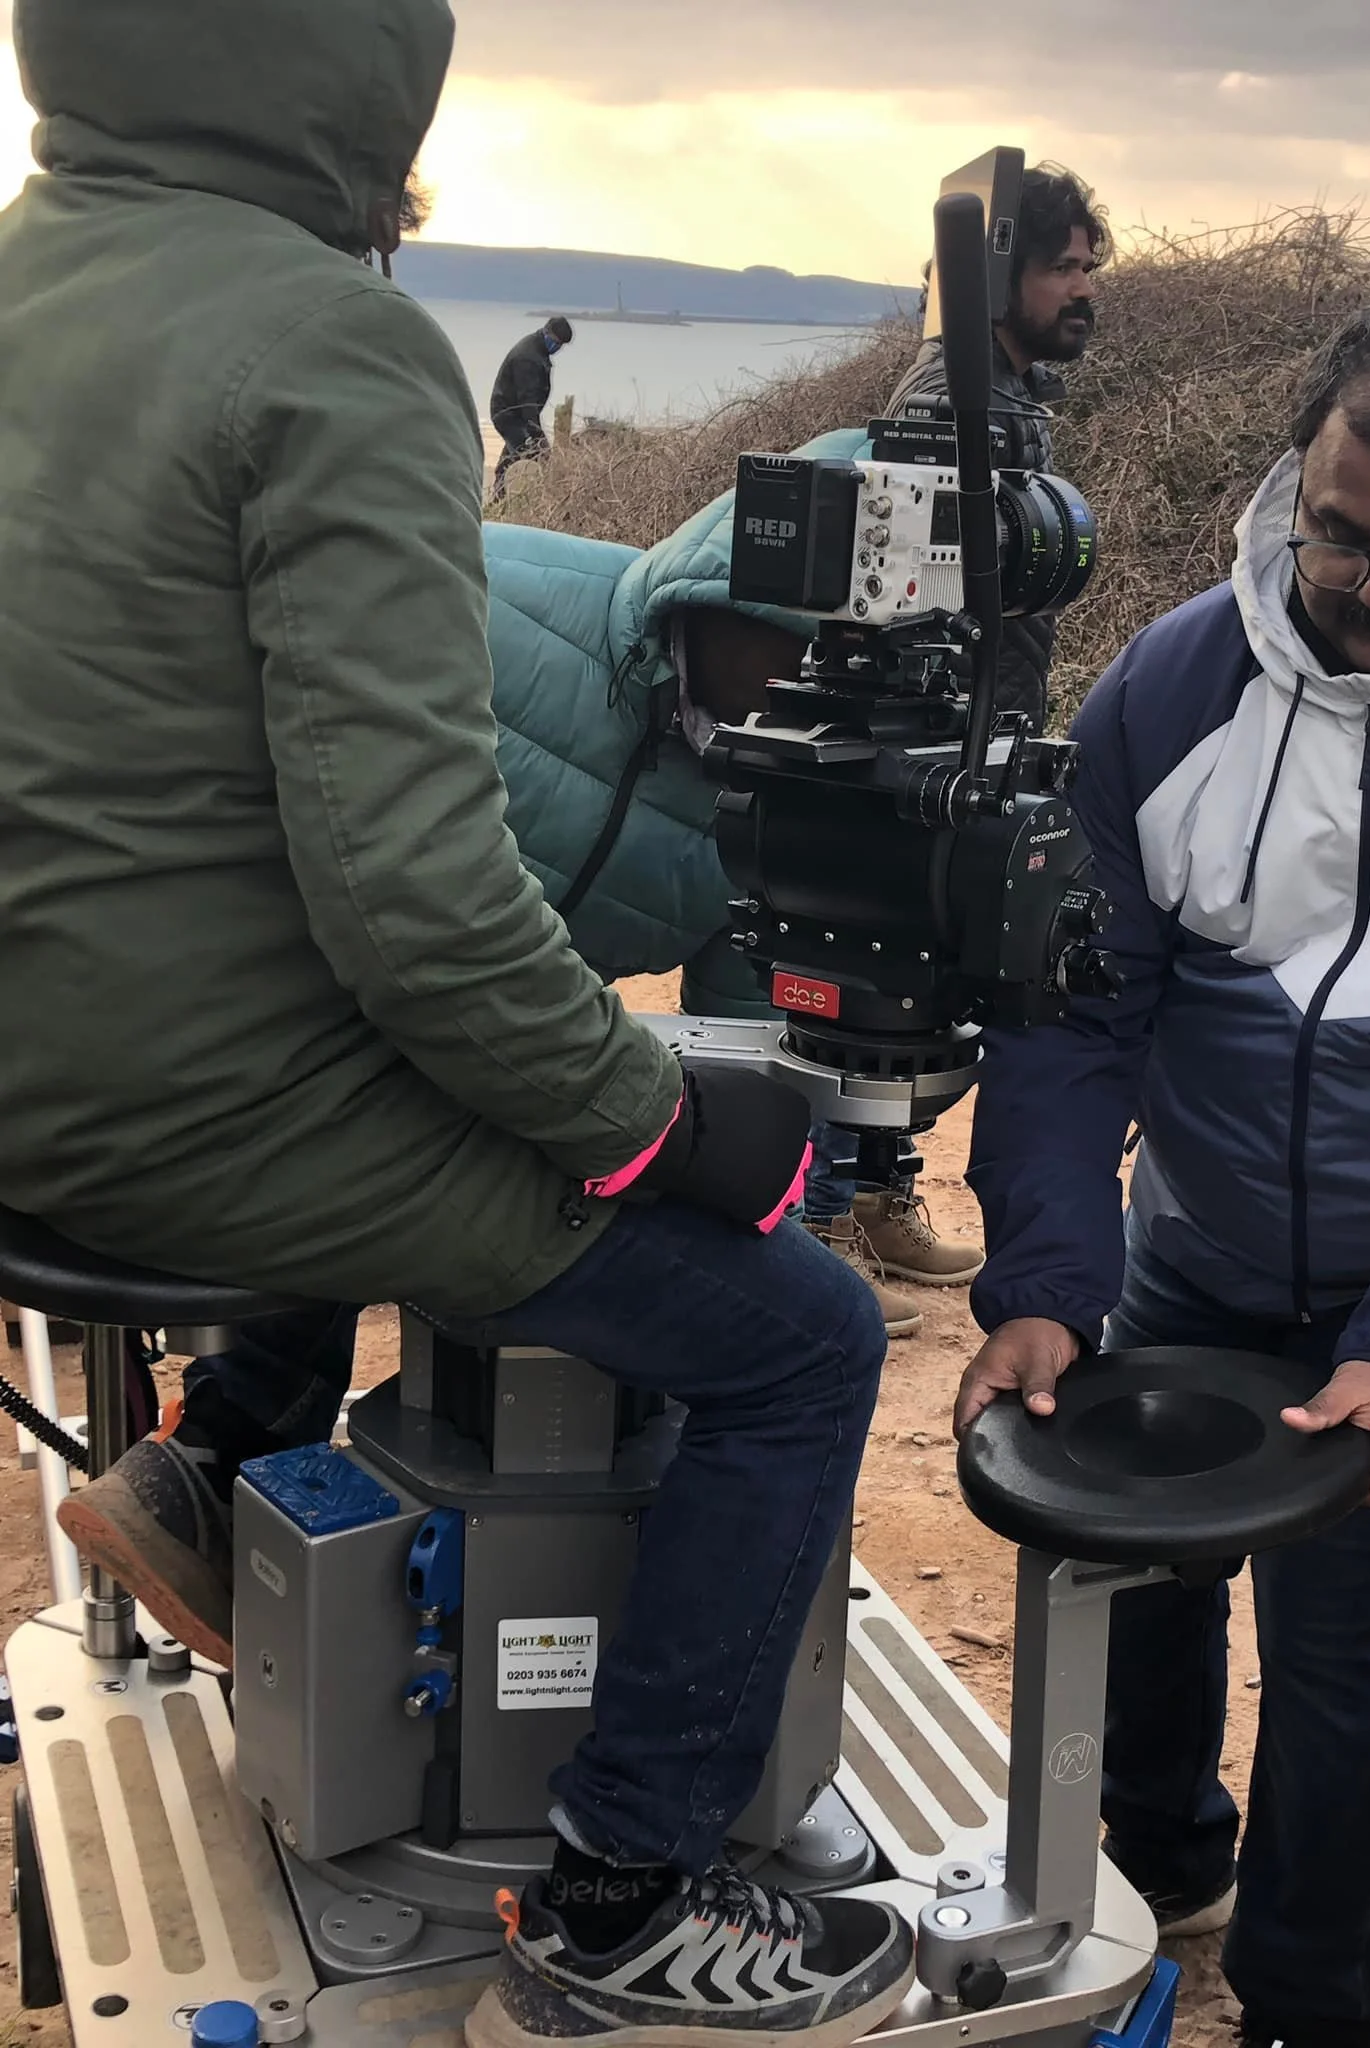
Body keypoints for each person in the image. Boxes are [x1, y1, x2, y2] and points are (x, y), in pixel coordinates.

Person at [0, 3, 917, 2040]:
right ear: (350, 71)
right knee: (799, 1331)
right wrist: (664, 1128)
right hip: (199, 1106)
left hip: (42, 1058)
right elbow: (416, 905)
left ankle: (207, 1461)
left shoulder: (31, 274)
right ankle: (629, 1883)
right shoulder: (330, 348)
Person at [957, 302, 1370, 2048]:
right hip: (1186, 1251)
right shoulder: (1176, 677)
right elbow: (1072, 1013)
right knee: (1137, 1588)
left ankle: (1308, 1999)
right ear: (1297, 480)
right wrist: (1049, 1277)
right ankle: (1162, 1868)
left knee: (1353, 1672)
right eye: (1345, 532)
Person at [888, 163, 1109, 734]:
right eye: (1062, 269)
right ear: (996, 279)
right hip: (953, 745)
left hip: (990, 733)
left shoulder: (1005, 392)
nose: (1085, 289)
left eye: (1086, 268)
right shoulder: (950, 402)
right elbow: (924, 604)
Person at [490, 314, 572, 484]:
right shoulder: (528, 358)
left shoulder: (537, 350)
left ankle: (499, 494)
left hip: (516, 414)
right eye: (557, 342)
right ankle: (504, 495)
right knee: (528, 455)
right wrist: (537, 435)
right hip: (509, 414)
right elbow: (527, 402)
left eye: (561, 345)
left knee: (514, 454)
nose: (558, 347)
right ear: (547, 333)